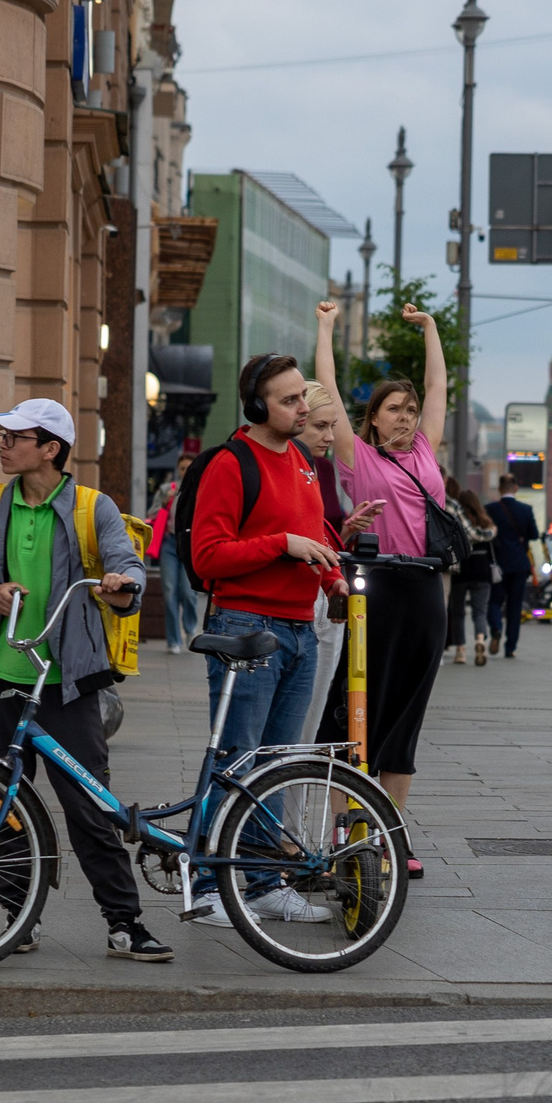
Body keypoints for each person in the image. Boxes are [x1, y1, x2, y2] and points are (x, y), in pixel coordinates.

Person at [0, 398, 167, 962]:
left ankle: (125, 923)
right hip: (0, 675)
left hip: (69, 681)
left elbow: (128, 566)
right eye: (2, 435)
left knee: (90, 805)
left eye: (15, 436)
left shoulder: (92, 507)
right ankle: (19, 917)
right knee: (3, 802)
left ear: (50, 449)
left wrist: (122, 586)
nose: (3, 445)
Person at [187, 345, 363, 925]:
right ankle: (210, 886)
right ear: (257, 405)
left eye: (299, 399)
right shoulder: (231, 463)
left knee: (280, 763)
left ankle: (261, 883)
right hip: (245, 628)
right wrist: (280, 546)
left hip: (299, 629)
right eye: (288, 401)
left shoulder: (303, 463)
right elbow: (208, 556)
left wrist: (332, 578)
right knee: (240, 763)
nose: (299, 410)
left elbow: (314, 533)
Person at [314, 297, 451, 876]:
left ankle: (392, 836)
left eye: (410, 409)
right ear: (373, 419)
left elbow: (439, 386)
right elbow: (329, 390)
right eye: (394, 409)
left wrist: (431, 330)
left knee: (405, 720)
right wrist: (326, 329)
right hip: (378, 591)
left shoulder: (424, 451)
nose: (407, 417)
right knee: (361, 716)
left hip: (425, 594)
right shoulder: (358, 457)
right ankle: (352, 831)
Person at [300, 378, 381, 745]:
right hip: (294, 599)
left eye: (333, 426)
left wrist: (345, 531)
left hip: (329, 594)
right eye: (321, 426)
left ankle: (290, 800)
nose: (330, 436)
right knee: (291, 724)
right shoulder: (284, 467)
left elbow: (318, 533)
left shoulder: (323, 469)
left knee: (309, 722)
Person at [487, 483, 542, 657]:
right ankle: (510, 648)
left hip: (498, 564)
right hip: (519, 564)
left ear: (500, 489)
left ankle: (496, 627)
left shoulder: (490, 509)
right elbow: (534, 534)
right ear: (516, 488)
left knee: (495, 600)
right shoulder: (525, 509)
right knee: (514, 606)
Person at [446, 479, 497, 665]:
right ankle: (480, 639)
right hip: (482, 569)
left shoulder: (458, 520)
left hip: (462, 569)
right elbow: (491, 540)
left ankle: (460, 650)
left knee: (458, 611)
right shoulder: (486, 522)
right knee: (480, 611)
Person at [148, 475, 200, 655]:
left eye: (189, 468)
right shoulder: (166, 489)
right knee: (169, 592)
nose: (186, 471)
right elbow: (151, 514)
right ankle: (173, 640)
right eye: (183, 468)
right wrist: (165, 501)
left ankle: (190, 629)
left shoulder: (200, 488)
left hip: (189, 544)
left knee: (188, 592)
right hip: (169, 543)